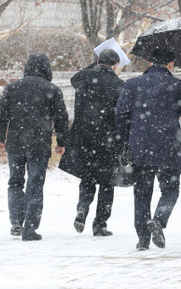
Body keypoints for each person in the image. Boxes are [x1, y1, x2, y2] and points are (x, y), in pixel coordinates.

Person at [115, 47, 181, 251]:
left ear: (150, 63)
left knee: (142, 193)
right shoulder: (177, 85)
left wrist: (127, 138)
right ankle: (159, 220)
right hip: (169, 146)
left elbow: (120, 114)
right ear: (170, 64)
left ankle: (143, 238)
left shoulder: (133, 84)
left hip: (141, 146)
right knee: (170, 189)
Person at [0, 53, 69, 241]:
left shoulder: (13, 88)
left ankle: (17, 222)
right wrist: (61, 142)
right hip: (39, 144)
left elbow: (1, 115)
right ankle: (30, 228)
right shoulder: (51, 89)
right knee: (35, 184)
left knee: (15, 182)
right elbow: (61, 118)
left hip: (16, 143)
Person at [59, 49, 125, 236]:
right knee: (106, 183)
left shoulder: (84, 78)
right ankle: (100, 224)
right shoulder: (119, 84)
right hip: (108, 140)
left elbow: (75, 78)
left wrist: (94, 66)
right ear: (116, 65)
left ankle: (82, 209)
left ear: (98, 62)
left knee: (87, 178)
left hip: (84, 138)